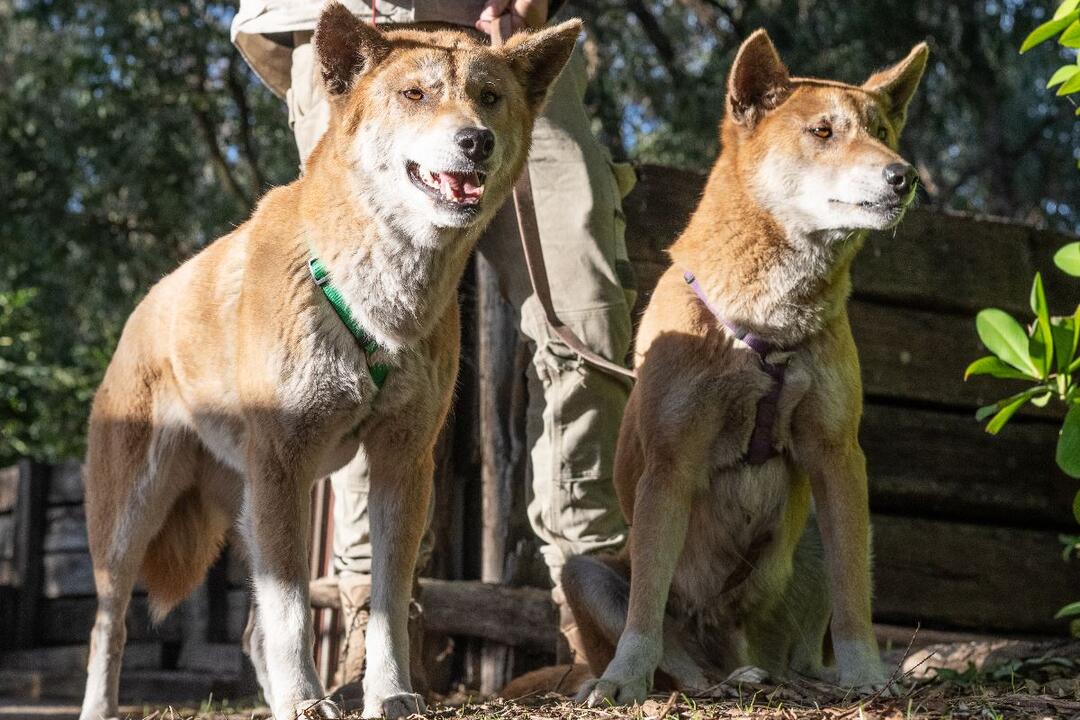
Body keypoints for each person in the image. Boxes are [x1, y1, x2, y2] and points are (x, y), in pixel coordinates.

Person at [231, 0, 635, 699]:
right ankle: (374, 631)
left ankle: (592, 611)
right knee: (353, 341)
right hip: (357, 29)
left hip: (498, 39)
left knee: (584, 298)